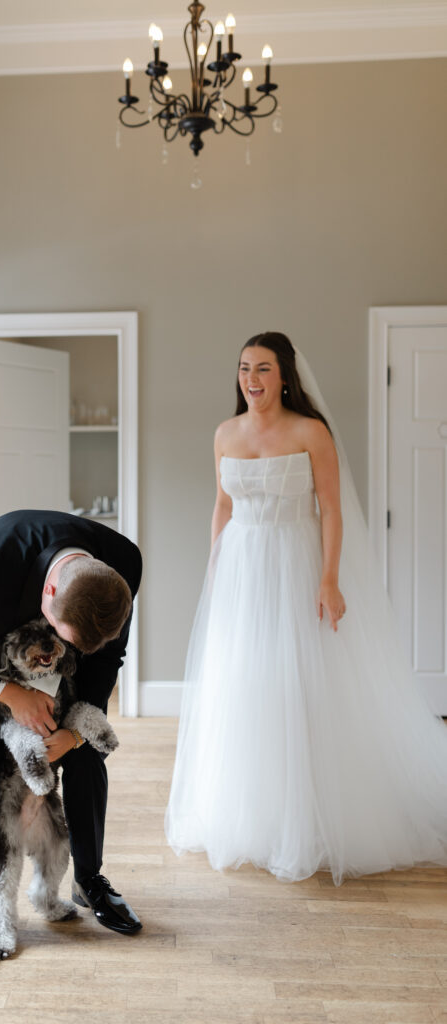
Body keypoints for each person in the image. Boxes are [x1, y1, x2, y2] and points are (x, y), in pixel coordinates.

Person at [165, 331, 447, 884]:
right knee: (244, 681)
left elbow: (333, 510)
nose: (252, 379)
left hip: (295, 560)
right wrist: (216, 563)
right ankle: (250, 809)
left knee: (300, 679)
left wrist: (329, 579)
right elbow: (222, 506)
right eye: (245, 368)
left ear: (286, 376)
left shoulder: (310, 433)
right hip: (242, 567)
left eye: (263, 369)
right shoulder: (225, 434)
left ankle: (311, 813)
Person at [0, 509, 143, 969]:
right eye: (69, 636)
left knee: (85, 750)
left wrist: (77, 732)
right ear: (51, 591)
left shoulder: (124, 562)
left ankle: (88, 878)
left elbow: (104, 661)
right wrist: (11, 693)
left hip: (50, 657)